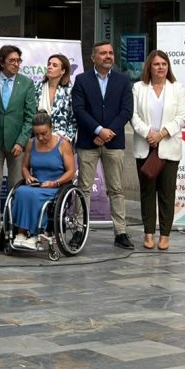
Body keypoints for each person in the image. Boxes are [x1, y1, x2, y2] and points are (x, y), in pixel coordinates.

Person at [73, 40, 134, 250]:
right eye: (103, 53)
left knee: (116, 189)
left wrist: (107, 133)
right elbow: (79, 110)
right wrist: (98, 131)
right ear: (93, 58)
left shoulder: (123, 80)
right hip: (88, 142)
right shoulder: (81, 80)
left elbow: (126, 111)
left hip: (114, 142)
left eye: (110, 53)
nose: (108, 56)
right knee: (84, 188)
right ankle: (79, 230)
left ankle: (121, 233)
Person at [129, 50, 185, 251]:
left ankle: (164, 235)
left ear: (168, 67)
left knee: (166, 194)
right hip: (145, 147)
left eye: (164, 64)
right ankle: (148, 234)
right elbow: (133, 115)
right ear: (149, 67)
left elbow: (182, 116)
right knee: (147, 193)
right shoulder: (138, 88)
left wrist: (161, 134)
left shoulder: (177, 88)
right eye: (156, 64)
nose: (160, 67)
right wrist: (149, 134)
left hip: (168, 148)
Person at [0, 45, 37, 242]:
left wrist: (22, 142)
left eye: (18, 61)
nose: (16, 64)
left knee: (16, 186)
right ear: (2, 61)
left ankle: (13, 224)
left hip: (17, 144)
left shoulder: (26, 83)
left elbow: (31, 116)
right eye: (12, 60)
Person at [11, 111, 76, 250]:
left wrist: (56, 182)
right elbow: (24, 167)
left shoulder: (63, 144)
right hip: (37, 184)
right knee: (21, 191)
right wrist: (28, 176)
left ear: (51, 129)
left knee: (33, 195)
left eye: (44, 133)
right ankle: (21, 233)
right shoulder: (30, 143)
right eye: (37, 134)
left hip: (55, 187)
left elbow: (71, 171)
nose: (40, 137)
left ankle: (36, 234)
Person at [34, 53, 77, 142]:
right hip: (39, 138)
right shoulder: (36, 87)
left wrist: (68, 138)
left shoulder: (70, 90)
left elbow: (74, 118)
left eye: (55, 65)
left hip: (61, 139)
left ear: (63, 71)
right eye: (49, 64)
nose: (50, 67)